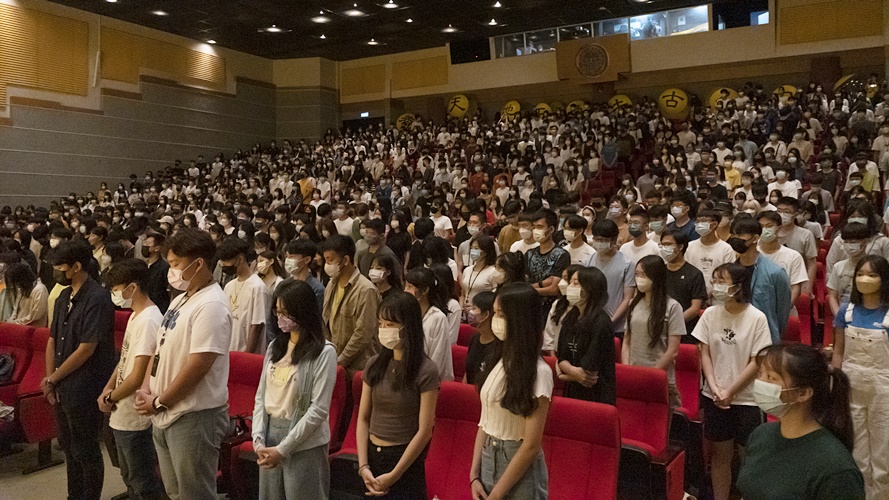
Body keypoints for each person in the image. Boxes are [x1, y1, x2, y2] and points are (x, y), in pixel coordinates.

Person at [134, 228, 232, 500]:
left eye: (176, 263)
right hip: (165, 411)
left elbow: (199, 364)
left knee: (195, 494)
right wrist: (146, 388)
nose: (171, 270)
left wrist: (160, 401)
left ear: (198, 263)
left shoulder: (212, 304)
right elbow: (160, 348)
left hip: (193, 415)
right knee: (175, 493)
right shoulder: (181, 298)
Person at [737, 343, 864, 499]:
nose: (761, 383)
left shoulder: (836, 468)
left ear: (803, 393)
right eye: (760, 374)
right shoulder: (760, 435)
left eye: (771, 378)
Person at [693, 263, 773, 500]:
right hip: (714, 396)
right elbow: (704, 353)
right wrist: (715, 388)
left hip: (747, 399)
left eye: (722, 281)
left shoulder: (757, 317)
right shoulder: (710, 314)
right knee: (720, 456)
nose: (716, 286)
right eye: (715, 280)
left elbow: (757, 361)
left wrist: (730, 391)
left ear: (738, 286)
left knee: (748, 456)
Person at [252, 280, 337, 500]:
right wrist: (258, 439)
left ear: (303, 312)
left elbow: (318, 409)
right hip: (271, 435)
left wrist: (283, 449)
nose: (280, 318)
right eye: (277, 311)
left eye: (286, 313)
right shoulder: (275, 347)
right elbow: (261, 396)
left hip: (304, 441)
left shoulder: (324, 352)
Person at [44, 241, 116, 500]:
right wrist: (50, 379)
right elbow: (52, 339)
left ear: (76, 266)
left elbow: (87, 348)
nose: (56, 271)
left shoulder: (97, 298)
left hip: (85, 384)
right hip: (62, 383)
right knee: (69, 447)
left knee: (85, 449)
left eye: (60, 267)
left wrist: (54, 377)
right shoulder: (63, 296)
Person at [471, 283, 551, 499]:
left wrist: (496, 494)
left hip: (517, 463)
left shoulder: (539, 372)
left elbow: (531, 445)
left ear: (520, 321)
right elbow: (485, 421)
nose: (495, 321)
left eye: (501, 315)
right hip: (489, 455)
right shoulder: (497, 359)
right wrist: (474, 474)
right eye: (495, 313)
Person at [357, 292, 440, 498]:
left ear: (408, 327)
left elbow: (425, 431)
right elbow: (363, 418)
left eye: (391, 325)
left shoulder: (426, 370)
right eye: (381, 324)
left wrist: (395, 474)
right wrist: (363, 466)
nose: (384, 330)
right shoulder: (374, 364)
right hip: (372, 456)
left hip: (404, 460)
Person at [99, 259, 165, 499]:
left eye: (116, 289)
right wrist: (107, 389)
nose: (114, 295)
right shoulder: (136, 315)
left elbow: (138, 375)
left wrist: (111, 397)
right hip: (121, 409)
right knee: (129, 476)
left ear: (133, 288)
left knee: (142, 482)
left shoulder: (149, 320)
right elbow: (125, 359)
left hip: (135, 415)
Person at [831, 255, 889, 498]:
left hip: (883, 391)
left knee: (883, 455)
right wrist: (836, 384)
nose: (865, 279)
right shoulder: (845, 312)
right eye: (861, 274)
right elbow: (838, 351)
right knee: (857, 452)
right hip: (851, 385)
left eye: (872, 275)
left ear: (884, 279)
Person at [623, 255, 686, 408]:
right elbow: (626, 342)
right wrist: (627, 369)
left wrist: (652, 375)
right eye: (636, 274)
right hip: (634, 374)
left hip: (659, 376)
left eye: (643, 275)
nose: (639, 279)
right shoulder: (633, 304)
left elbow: (673, 350)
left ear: (656, 277)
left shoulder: (672, 307)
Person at [320, 235, 380, 376]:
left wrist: (340, 361)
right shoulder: (331, 284)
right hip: (335, 361)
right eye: (325, 260)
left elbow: (363, 334)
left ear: (346, 260)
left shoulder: (365, 290)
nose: (327, 265)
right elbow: (326, 323)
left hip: (358, 367)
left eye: (330, 260)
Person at [556, 267, 616, 404]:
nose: (569, 287)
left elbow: (588, 375)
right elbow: (561, 358)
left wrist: (563, 372)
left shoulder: (601, 322)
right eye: (570, 282)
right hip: (572, 390)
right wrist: (569, 371)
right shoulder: (571, 316)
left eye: (575, 283)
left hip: (597, 395)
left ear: (590, 289)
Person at [728, 216, 792, 343]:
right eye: (733, 234)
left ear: (756, 238)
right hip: (733, 334)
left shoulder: (775, 272)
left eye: (740, 235)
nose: (735, 238)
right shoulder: (729, 271)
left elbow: (782, 312)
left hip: (763, 337)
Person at [219, 237, 269, 353]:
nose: (224, 266)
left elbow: (257, 325)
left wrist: (247, 355)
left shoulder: (257, 287)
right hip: (229, 349)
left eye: (227, 262)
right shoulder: (229, 286)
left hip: (247, 352)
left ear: (240, 259)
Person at [405, 267, 454, 382]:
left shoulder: (437, 318)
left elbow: (438, 357)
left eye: (410, 287)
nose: (406, 291)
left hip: (430, 379)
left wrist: (424, 379)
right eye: (406, 286)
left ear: (425, 290)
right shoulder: (407, 313)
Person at [588, 220, 635, 338]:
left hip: (616, 326)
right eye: (596, 239)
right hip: (591, 323)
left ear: (614, 240)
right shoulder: (588, 261)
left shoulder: (627, 263)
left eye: (603, 240)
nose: (599, 243)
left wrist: (610, 322)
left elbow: (627, 298)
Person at [757, 211, 808, 312]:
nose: (764, 230)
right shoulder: (751, 253)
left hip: (784, 311)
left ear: (779, 228)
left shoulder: (793, 256)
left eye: (769, 226)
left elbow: (795, 288)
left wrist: (783, 311)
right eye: (761, 226)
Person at [660, 229, 707, 336]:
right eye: (662, 245)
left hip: (685, 330)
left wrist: (673, 324)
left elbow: (695, 309)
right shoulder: (659, 271)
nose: (664, 248)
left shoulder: (694, 274)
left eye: (668, 244)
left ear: (681, 247)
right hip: (660, 329)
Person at [525, 209, 571, 319]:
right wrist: (543, 283)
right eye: (534, 227)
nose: (535, 230)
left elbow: (554, 289)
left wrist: (529, 289)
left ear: (551, 229)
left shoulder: (561, 255)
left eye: (540, 227)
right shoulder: (529, 254)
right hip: (529, 307)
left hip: (550, 310)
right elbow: (524, 282)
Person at [684, 209, 736, 296]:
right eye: (698, 221)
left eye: (704, 221)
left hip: (718, 295)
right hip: (692, 294)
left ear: (715, 224)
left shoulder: (726, 249)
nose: (699, 224)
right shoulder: (690, 246)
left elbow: (728, 275)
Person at [827, 223, 869, 316]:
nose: (849, 245)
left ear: (865, 241)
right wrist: (839, 316)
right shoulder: (838, 267)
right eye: (846, 242)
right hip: (844, 315)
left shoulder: (875, 266)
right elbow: (833, 296)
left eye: (853, 242)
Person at [464, 291, 501, 385]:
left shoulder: (499, 346)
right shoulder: (475, 338)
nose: (470, 312)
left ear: (486, 314)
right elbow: (467, 372)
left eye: (474, 308)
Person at [460, 235, 498, 313]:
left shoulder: (493, 272)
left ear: (485, 251)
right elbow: (463, 293)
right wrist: (461, 307)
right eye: (472, 248)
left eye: (476, 248)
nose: (473, 251)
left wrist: (476, 307)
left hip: (482, 312)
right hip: (465, 312)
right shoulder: (467, 270)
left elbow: (495, 296)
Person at [283, 238, 324, 311]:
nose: (288, 260)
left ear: (307, 260)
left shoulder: (317, 289)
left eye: (291, 256)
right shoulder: (283, 285)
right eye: (286, 256)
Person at [4, 262, 48, 327]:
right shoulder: (23, 288)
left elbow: (36, 315)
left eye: (16, 282)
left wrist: (16, 322)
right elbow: (16, 308)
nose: (16, 285)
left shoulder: (40, 290)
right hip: (20, 327)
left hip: (33, 329)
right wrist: (12, 318)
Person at [141, 232, 171, 314]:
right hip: (145, 306)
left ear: (157, 248)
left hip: (159, 308)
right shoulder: (143, 265)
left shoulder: (164, 267)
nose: (145, 246)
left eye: (148, 244)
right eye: (145, 243)